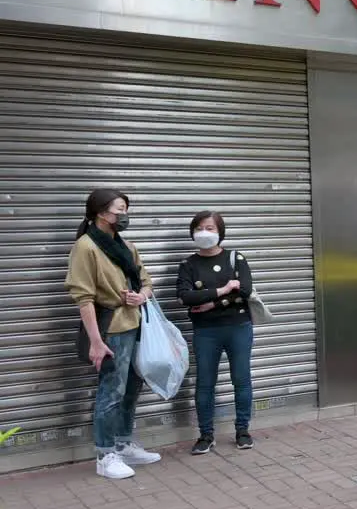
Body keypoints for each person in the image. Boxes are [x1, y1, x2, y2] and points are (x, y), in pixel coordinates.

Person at [66, 189, 162, 480]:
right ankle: (105, 455)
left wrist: (141, 296)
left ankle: (123, 443)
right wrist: (96, 342)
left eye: (125, 209)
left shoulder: (127, 246)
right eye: (119, 210)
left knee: (133, 387)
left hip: (136, 324)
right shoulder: (85, 247)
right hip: (110, 329)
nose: (124, 215)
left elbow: (146, 282)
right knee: (111, 391)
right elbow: (84, 298)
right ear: (100, 212)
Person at [176, 212, 256, 454]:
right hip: (206, 331)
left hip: (238, 326)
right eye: (199, 228)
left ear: (220, 232)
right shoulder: (188, 265)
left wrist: (212, 303)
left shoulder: (235, 257)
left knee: (241, 379)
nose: (204, 232)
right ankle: (206, 434)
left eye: (210, 228)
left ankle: (242, 430)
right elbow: (185, 296)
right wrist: (222, 290)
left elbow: (245, 290)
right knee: (204, 383)